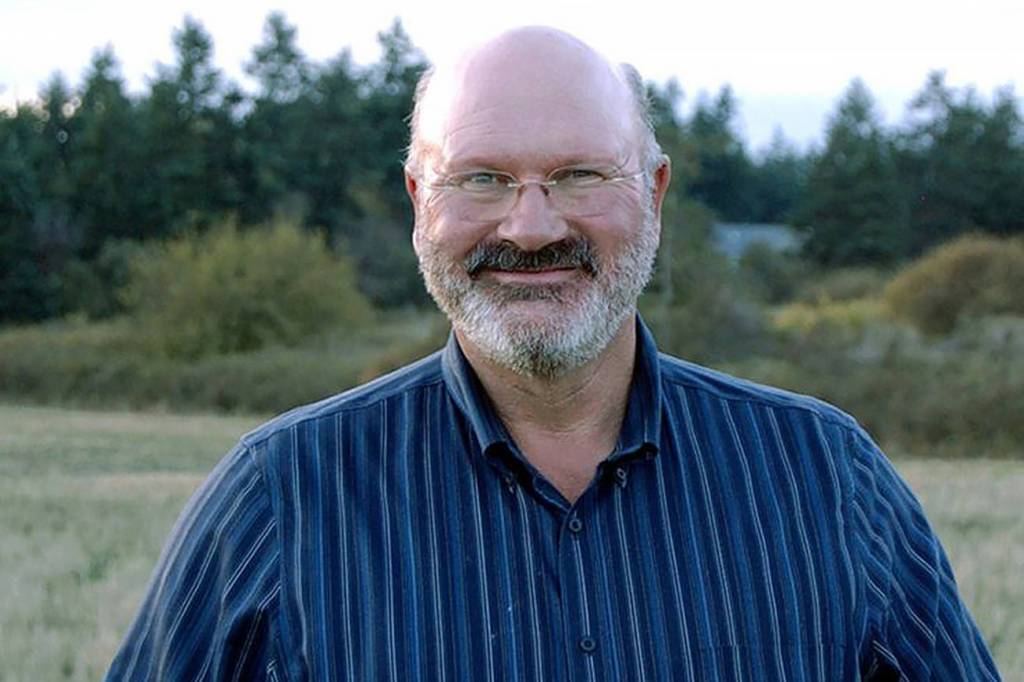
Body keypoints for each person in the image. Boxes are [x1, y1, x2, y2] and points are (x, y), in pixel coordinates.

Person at [107, 26, 1000, 681]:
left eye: (578, 175)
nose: (530, 227)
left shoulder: (826, 479)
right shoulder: (279, 497)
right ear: (420, 201)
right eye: (482, 178)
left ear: (653, 194)